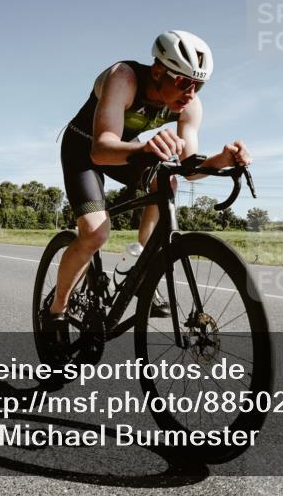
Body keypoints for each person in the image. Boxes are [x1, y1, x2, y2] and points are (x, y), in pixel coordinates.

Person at [46, 30, 251, 337]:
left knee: (168, 184)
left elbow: (188, 169)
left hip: (126, 149)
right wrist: (145, 148)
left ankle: (139, 261)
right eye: (182, 82)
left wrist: (220, 160)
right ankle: (57, 311)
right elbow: (101, 150)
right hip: (85, 148)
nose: (191, 93)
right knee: (96, 233)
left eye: (198, 85)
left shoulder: (190, 105)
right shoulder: (123, 78)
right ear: (157, 71)